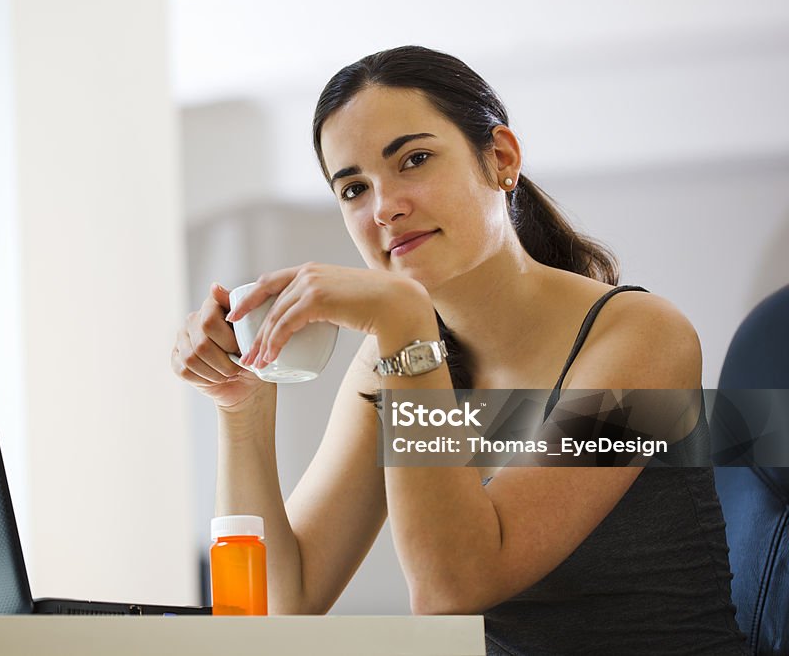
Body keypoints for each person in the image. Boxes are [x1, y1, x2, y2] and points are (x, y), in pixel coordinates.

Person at [171, 46, 747, 654]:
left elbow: (453, 591)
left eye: (414, 159)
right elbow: (281, 607)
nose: (384, 207)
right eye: (353, 189)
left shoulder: (645, 336)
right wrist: (242, 408)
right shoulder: (394, 354)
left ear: (500, 158)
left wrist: (406, 328)